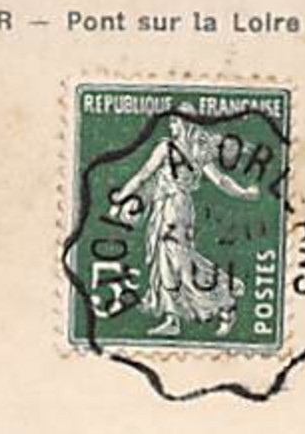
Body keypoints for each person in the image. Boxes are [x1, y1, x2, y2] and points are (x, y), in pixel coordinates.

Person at [110, 106, 262, 336]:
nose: (172, 127)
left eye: (174, 123)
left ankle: (224, 300)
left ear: (184, 123)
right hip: (175, 207)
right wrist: (243, 193)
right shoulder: (197, 150)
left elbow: (143, 175)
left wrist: (121, 196)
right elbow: (221, 180)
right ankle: (175, 318)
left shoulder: (168, 148)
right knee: (171, 262)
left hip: (173, 208)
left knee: (177, 263)